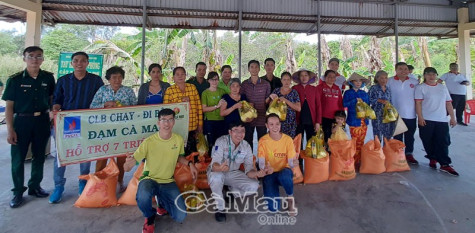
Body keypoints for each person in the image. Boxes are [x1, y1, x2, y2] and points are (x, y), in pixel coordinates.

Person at [2, 46, 55, 208]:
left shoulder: (48, 78)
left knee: (39, 156)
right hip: (21, 123)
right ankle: (18, 191)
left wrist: (53, 116)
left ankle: (35, 186)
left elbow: (52, 99)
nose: (35, 59)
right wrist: (10, 129)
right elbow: (9, 107)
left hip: (42, 121)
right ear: (24, 58)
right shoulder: (15, 80)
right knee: (18, 158)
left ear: (43, 59)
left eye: (38, 56)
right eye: (30, 56)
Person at [50, 51, 104, 204]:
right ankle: (59, 187)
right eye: (76, 61)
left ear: (87, 63)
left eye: (82, 61)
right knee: (62, 155)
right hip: (67, 122)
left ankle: (83, 181)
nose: (79, 63)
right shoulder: (63, 80)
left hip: (87, 122)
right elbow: (57, 100)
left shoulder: (95, 80)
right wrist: (55, 108)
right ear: (71, 63)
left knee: (84, 154)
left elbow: (101, 99)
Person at [131, 108, 198, 233]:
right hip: (149, 179)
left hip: (168, 181)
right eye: (163, 120)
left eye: (170, 120)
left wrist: (190, 164)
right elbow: (135, 158)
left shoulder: (178, 140)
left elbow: (179, 157)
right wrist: (129, 163)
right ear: (158, 123)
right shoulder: (149, 141)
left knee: (180, 216)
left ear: (174, 122)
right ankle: (150, 216)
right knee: (143, 195)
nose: (166, 123)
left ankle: (161, 202)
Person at [90, 66, 137, 192]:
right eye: (114, 77)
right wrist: (105, 105)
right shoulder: (102, 90)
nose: (117, 80)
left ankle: (119, 181)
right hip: (104, 131)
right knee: (102, 157)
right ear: (108, 79)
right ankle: (98, 183)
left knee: (121, 158)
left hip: (123, 130)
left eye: (120, 77)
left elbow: (136, 109)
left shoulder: (128, 91)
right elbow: (92, 106)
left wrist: (124, 107)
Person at [208, 122, 262, 222]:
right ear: (230, 132)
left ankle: (231, 191)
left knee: (254, 186)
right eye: (236, 131)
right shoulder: (221, 141)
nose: (239, 134)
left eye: (242, 131)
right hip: (217, 172)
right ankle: (220, 208)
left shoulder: (246, 146)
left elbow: (249, 170)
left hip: (233, 173)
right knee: (216, 178)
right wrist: (219, 167)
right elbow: (214, 164)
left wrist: (257, 173)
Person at [415, 67, 459, 176]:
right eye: (429, 74)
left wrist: (453, 118)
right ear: (424, 75)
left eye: (434, 74)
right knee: (427, 140)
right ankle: (432, 157)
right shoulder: (420, 88)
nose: (431, 77)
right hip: (426, 119)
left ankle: (445, 164)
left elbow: (448, 103)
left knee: (443, 141)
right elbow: (418, 103)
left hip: (441, 119)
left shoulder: (442, 88)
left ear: (437, 76)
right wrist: (420, 117)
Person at [258, 114, 297, 216]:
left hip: (284, 171)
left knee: (285, 175)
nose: (274, 127)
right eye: (271, 124)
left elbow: (291, 163)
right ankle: (272, 189)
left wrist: (294, 163)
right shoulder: (263, 140)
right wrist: (265, 169)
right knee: (273, 209)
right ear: (266, 125)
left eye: (277, 124)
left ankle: (290, 198)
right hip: (270, 173)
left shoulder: (288, 139)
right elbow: (261, 162)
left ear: (280, 125)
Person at [164, 67, 203, 154]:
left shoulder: (192, 88)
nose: (180, 76)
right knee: (179, 152)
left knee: (193, 152)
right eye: (177, 74)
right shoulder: (169, 91)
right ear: (173, 77)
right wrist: (180, 102)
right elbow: (166, 110)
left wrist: (200, 125)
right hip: (177, 127)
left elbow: (199, 107)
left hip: (192, 126)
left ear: (185, 76)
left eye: (182, 74)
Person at [387, 62, 420, 165]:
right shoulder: (389, 81)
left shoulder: (414, 82)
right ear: (396, 70)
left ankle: (409, 154)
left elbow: (419, 99)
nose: (403, 71)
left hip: (411, 114)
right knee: (397, 136)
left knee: (410, 136)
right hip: (396, 114)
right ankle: (398, 154)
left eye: (405, 69)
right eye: (400, 69)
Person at [241, 60, 271, 150]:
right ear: (248, 69)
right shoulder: (244, 84)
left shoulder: (266, 84)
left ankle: (261, 162)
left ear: (259, 69)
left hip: (261, 117)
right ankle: (249, 162)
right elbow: (242, 100)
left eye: (256, 67)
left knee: (262, 141)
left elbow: (267, 101)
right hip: (248, 118)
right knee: (247, 141)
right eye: (252, 67)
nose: (254, 69)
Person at [343, 73, 370, 166]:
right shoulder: (347, 93)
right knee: (354, 141)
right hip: (353, 120)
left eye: (360, 81)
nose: (358, 83)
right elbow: (344, 104)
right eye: (356, 81)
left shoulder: (364, 93)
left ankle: (359, 161)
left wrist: (363, 104)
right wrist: (355, 101)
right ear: (351, 82)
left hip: (364, 121)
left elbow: (368, 106)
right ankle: (353, 161)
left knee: (361, 141)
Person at [292, 69, 321, 144]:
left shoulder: (314, 89)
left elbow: (318, 106)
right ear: (299, 77)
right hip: (298, 120)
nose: (304, 77)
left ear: (309, 77)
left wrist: (318, 122)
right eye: (301, 75)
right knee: (298, 142)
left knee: (311, 143)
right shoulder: (294, 88)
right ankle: (298, 156)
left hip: (311, 121)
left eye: (306, 75)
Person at [201, 71, 227, 152]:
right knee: (211, 144)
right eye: (212, 80)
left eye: (216, 79)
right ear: (208, 80)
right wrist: (217, 106)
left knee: (222, 143)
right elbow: (204, 109)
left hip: (221, 120)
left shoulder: (222, 91)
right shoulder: (205, 93)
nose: (214, 82)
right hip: (210, 121)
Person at [270, 72, 301, 138]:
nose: (286, 82)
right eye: (284, 79)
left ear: (291, 81)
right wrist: (274, 100)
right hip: (278, 123)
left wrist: (285, 100)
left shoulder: (294, 92)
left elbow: (298, 108)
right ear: (281, 81)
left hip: (291, 124)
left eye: (288, 80)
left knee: (289, 144)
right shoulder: (276, 91)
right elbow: (270, 107)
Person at [317, 70, 344, 143]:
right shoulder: (320, 87)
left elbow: (340, 102)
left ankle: (333, 153)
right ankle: (326, 153)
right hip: (324, 116)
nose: (331, 78)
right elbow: (317, 103)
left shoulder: (337, 88)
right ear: (325, 78)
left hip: (336, 117)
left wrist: (342, 116)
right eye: (329, 77)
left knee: (335, 136)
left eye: (333, 77)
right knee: (326, 136)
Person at [369, 70, 395, 143]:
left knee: (387, 135)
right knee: (377, 135)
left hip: (387, 115)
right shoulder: (373, 88)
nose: (384, 80)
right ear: (377, 78)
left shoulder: (388, 89)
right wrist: (378, 100)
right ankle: (378, 152)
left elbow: (390, 101)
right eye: (382, 78)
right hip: (377, 115)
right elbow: (369, 100)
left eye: (386, 78)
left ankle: (386, 152)